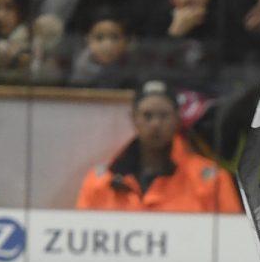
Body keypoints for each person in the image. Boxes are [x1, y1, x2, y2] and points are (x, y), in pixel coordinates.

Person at [76, 77, 242, 211]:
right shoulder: (100, 181)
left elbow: (231, 242)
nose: (155, 124)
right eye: (147, 116)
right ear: (133, 119)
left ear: (177, 119)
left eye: (164, 116)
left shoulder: (211, 180)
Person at [67, 5, 134, 87]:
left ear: (126, 41)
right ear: (87, 40)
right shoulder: (74, 69)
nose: (107, 44)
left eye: (115, 37)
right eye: (99, 38)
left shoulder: (134, 71)